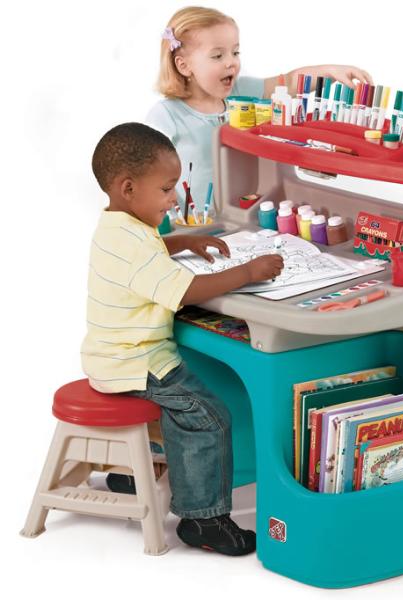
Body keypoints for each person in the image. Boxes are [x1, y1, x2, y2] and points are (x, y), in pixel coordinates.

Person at [81, 122, 283, 556]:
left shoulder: (118, 226)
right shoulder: (134, 243)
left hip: (111, 357)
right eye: (166, 188)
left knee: (194, 408)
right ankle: (203, 520)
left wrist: (182, 242)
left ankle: (135, 473)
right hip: (139, 364)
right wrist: (248, 272)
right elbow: (187, 290)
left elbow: (148, 253)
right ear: (128, 188)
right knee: (209, 417)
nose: (174, 198)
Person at [146, 6, 373, 212]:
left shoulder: (241, 92)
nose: (231, 62)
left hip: (244, 214)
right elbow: (146, 174)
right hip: (192, 226)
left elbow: (288, 82)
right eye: (217, 55)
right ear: (184, 66)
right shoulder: (166, 115)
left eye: (235, 52)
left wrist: (329, 70)